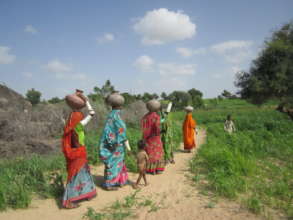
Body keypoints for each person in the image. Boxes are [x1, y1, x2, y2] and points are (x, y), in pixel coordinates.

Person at [62, 91, 96, 209]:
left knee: (82, 171)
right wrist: (87, 101)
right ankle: (69, 200)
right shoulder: (77, 116)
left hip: (76, 147)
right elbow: (91, 113)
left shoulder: (73, 115)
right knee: (76, 173)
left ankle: (86, 192)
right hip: (77, 149)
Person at [99, 92, 130, 190]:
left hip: (113, 143)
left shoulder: (111, 115)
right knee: (113, 163)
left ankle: (117, 180)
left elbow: (109, 130)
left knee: (116, 163)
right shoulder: (116, 116)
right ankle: (109, 184)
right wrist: (123, 141)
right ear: (121, 105)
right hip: (116, 145)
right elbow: (121, 130)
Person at [141, 99, 165, 174]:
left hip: (147, 139)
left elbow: (143, 127)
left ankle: (150, 169)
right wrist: (160, 132)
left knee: (149, 152)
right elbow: (157, 128)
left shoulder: (144, 117)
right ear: (157, 108)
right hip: (155, 138)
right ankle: (158, 169)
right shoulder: (156, 117)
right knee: (158, 152)